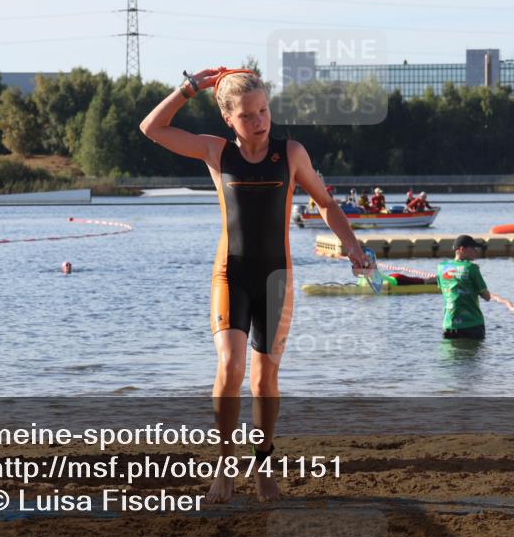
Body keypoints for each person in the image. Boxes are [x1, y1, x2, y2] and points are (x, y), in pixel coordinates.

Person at [139, 67, 368, 504]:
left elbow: (324, 203)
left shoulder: (292, 153)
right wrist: (190, 88)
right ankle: (225, 469)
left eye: (263, 110)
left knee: (265, 381)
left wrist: (352, 246)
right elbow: (152, 128)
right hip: (231, 274)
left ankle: (262, 467)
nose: (259, 121)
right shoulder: (215, 152)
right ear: (229, 119)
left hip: (276, 277)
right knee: (230, 366)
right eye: (247, 115)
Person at [424, 235, 490, 340]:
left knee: (451, 355)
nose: (476, 252)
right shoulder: (472, 268)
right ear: (462, 249)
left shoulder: (441, 267)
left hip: (449, 325)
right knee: (473, 355)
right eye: (473, 248)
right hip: (472, 324)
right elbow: (487, 297)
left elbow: (444, 289)